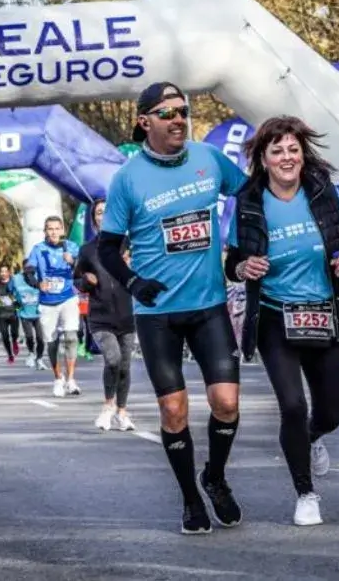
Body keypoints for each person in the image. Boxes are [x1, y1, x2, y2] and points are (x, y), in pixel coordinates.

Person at [98, 81, 248, 535]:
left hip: (209, 305)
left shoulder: (209, 158)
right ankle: (189, 499)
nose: (179, 119)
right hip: (158, 314)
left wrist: (241, 251)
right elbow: (107, 250)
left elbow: (255, 195)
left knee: (226, 403)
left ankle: (215, 478)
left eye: (183, 110)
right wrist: (133, 282)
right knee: (174, 412)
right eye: (167, 113)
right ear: (145, 122)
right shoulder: (127, 178)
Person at [225, 116, 339, 527]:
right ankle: (306, 493)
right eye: (278, 151)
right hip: (275, 315)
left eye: (293, 149)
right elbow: (232, 261)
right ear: (264, 159)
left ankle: (313, 437)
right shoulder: (250, 200)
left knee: (329, 414)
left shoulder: (323, 192)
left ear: (302, 154)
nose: (287, 158)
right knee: (292, 405)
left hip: (324, 312)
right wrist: (244, 268)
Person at [74, 199, 136, 432]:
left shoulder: (128, 245)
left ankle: (122, 411)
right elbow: (76, 280)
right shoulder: (87, 250)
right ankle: (107, 406)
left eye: (108, 211)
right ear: (94, 219)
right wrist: (86, 282)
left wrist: (132, 265)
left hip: (127, 314)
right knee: (113, 359)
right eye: (99, 212)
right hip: (100, 317)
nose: (104, 215)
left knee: (126, 366)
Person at [26, 217, 82, 398]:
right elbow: (28, 272)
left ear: (62, 230)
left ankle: (71, 379)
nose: (54, 232)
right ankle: (58, 378)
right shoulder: (38, 249)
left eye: (57, 229)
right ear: (45, 231)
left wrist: (72, 262)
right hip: (47, 301)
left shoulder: (72, 247)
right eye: (50, 229)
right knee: (52, 342)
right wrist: (37, 284)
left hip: (68, 297)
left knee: (72, 336)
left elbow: (84, 268)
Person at [11, 259, 45, 371]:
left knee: (41, 338)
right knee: (29, 336)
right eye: (27, 268)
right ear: (23, 268)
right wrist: (16, 305)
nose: (30, 270)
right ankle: (31, 353)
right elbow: (9, 292)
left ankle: (39, 359)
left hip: (38, 313)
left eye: (32, 268)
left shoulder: (40, 277)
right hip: (25, 313)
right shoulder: (16, 279)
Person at [0, 265, 21, 365]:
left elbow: (18, 298)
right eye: (2, 272)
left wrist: (17, 309)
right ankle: (10, 355)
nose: (3, 273)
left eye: (5, 271)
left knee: (14, 333)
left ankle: (14, 342)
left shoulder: (14, 283)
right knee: (4, 336)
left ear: (9, 272)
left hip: (13, 313)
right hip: (2, 314)